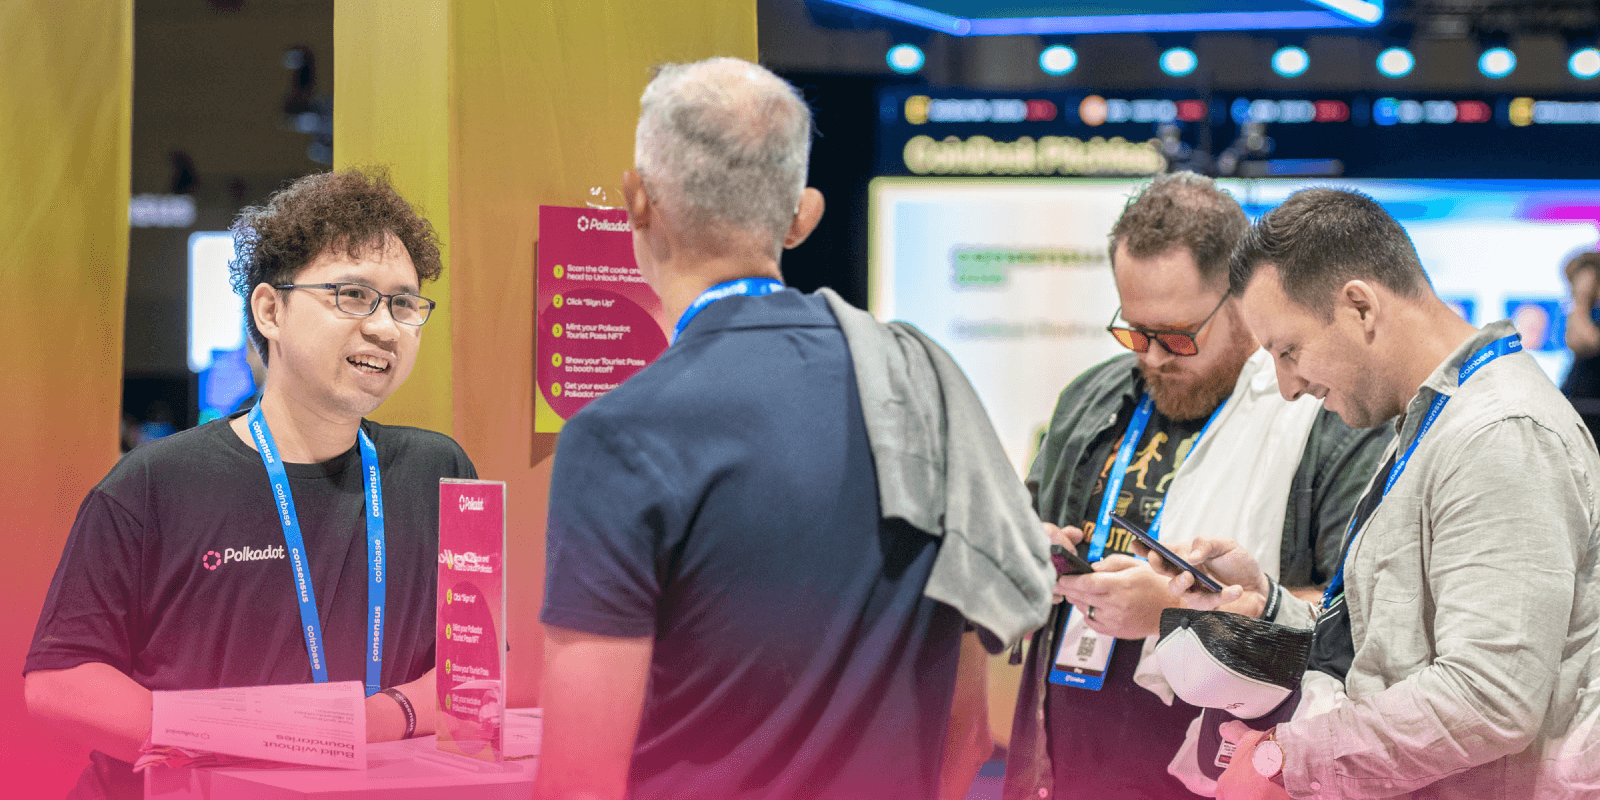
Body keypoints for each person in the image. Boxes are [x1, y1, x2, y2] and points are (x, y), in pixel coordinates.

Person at [536, 57, 1052, 800]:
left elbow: (579, 780)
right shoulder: (919, 386)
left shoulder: (619, 436)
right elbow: (969, 737)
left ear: (638, 200)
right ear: (801, 215)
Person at [24, 169, 476, 799]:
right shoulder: (156, 483)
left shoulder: (436, 471)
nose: (384, 326)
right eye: (352, 294)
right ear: (271, 310)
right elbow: (59, 680)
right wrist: (231, 741)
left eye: (404, 303)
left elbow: (476, 666)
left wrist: (367, 722)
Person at [1166, 187, 1600, 799]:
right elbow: (1395, 641)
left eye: (1289, 352)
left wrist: (1282, 760)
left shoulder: (1499, 433)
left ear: (1359, 307)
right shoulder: (1436, 419)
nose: (1288, 387)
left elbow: (1489, 698)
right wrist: (1264, 603)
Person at [1002, 173, 1391, 800]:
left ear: (1243, 301)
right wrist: (1033, 553)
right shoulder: (1093, 397)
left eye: (1179, 335)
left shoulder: (1325, 414)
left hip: (1229, 768)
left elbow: (1357, 618)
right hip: (1068, 755)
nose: (1154, 357)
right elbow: (1025, 523)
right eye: (1135, 331)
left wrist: (1176, 615)